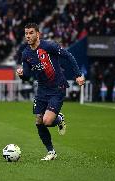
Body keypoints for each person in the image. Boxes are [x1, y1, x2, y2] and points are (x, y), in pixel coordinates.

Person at [16, 23, 85, 161]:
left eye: (31, 33)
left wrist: (78, 74)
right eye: (26, 33)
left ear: (38, 34)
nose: (28, 36)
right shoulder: (25, 54)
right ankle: (51, 152)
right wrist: (21, 74)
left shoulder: (49, 46)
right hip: (42, 89)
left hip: (57, 87)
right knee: (39, 122)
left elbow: (68, 56)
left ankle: (59, 118)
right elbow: (28, 76)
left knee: (47, 121)